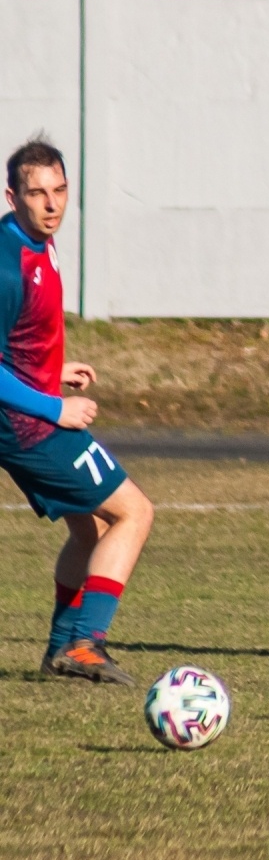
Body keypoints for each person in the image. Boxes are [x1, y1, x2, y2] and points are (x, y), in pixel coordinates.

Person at [2, 136, 155, 685]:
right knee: (134, 513)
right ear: (11, 195)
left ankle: (58, 652)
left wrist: (52, 369)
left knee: (90, 531)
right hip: (26, 427)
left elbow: (14, 343)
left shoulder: (41, 244)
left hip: (26, 416)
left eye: (60, 190)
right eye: (37, 192)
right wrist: (54, 405)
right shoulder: (7, 263)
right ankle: (86, 643)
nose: (52, 204)